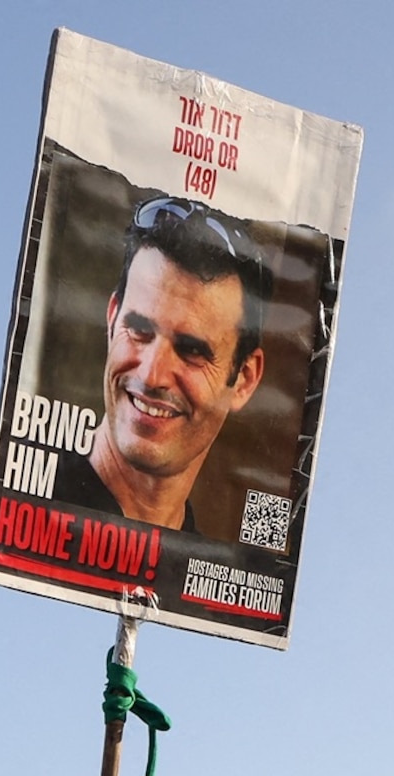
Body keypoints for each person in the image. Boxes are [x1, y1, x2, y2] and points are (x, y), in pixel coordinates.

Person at [55, 194, 276, 531]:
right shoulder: (29, 501)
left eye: (192, 351)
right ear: (112, 320)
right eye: (140, 330)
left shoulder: (199, 575)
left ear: (244, 378)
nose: (151, 375)